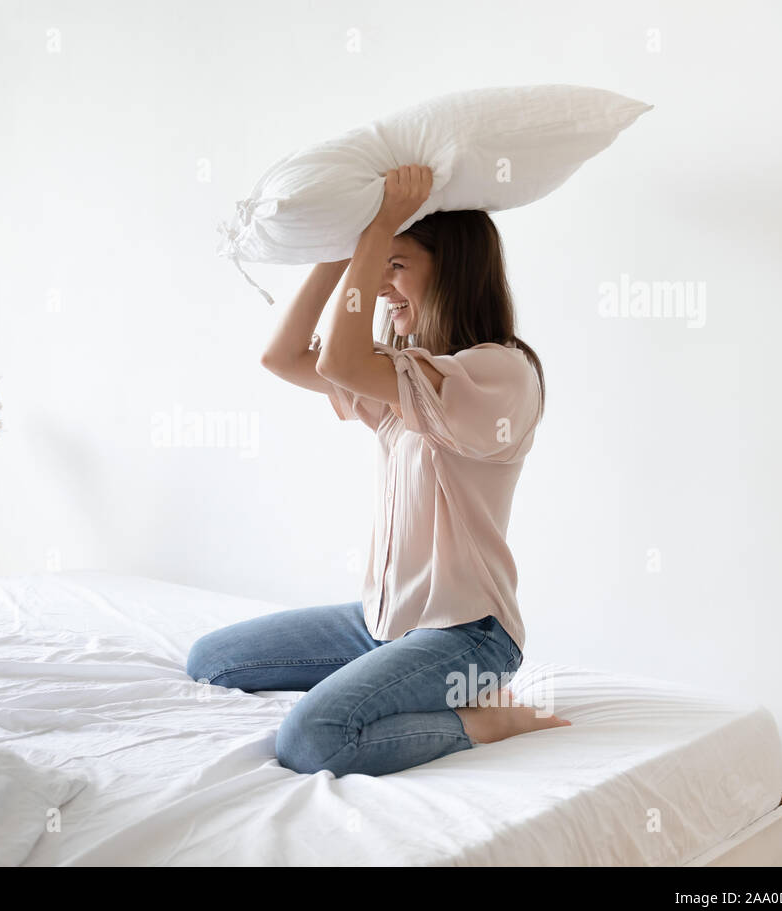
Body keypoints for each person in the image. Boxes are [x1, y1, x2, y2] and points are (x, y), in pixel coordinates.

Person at [187, 165, 570, 776]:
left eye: (397, 265)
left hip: (468, 636)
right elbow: (282, 356)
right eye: (382, 266)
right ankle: (389, 677)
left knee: (313, 739)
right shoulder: (404, 377)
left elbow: (338, 358)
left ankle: (482, 719)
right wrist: (349, 244)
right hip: (382, 624)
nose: (385, 285)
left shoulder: (499, 373)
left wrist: (378, 229)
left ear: (450, 269)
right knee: (214, 660)